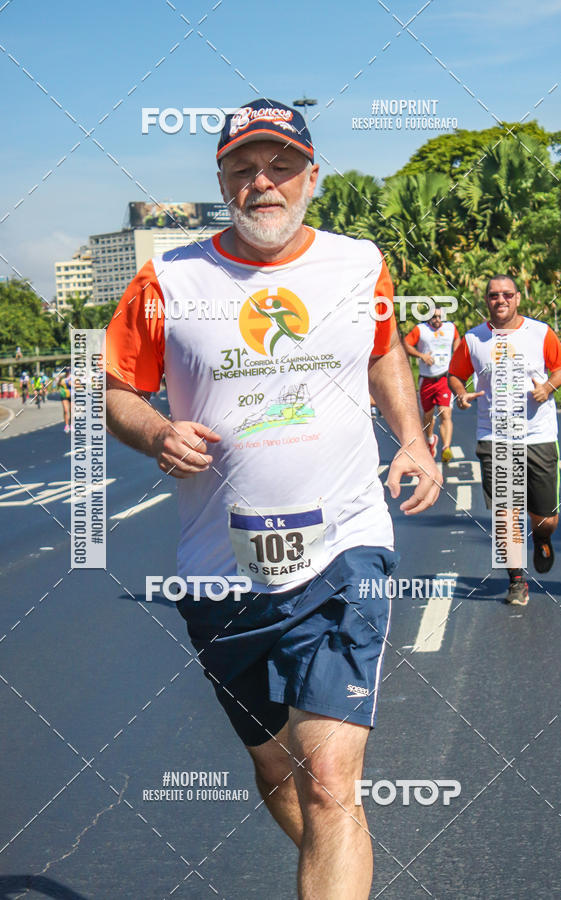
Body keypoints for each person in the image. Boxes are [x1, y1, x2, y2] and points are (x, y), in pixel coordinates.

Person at [105, 98, 442, 899]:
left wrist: (416, 440)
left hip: (343, 546)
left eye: (281, 165)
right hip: (222, 572)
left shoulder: (360, 264)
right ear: (221, 179)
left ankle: (340, 835)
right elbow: (118, 387)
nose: (263, 182)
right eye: (243, 168)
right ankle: (343, 846)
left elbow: (384, 348)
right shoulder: (167, 278)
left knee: (329, 779)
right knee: (280, 774)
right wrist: (155, 433)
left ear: (312, 176)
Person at [448, 275, 561, 606]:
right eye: (493, 295)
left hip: (538, 435)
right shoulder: (473, 339)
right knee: (505, 513)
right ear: (486, 300)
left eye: (506, 295)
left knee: (546, 518)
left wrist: (547, 388)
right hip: (495, 437)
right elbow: (456, 374)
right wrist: (460, 393)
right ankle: (517, 580)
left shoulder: (541, 332)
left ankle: (542, 538)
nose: (499, 300)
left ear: (517, 298)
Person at [404, 308, 461, 461]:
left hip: (444, 378)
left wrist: (456, 352)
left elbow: (457, 338)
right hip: (427, 379)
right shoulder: (421, 330)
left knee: (445, 412)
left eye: (439, 316)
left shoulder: (450, 328)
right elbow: (406, 344)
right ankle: (430, 440)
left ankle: (446, 448)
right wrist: (421, 355)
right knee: (428, 416)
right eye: (434, 317)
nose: (437, 319)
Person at [56, 368, 72, 433]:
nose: (67, 372)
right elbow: (57, 385)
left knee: (72, 411)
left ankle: (72, 424)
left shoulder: (73, 377)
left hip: (72, 395)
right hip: (64, 395)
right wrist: (59, 380)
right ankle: (66, 425)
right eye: (66, 371)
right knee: (65, 410)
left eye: (68, 371)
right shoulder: (61, 378)